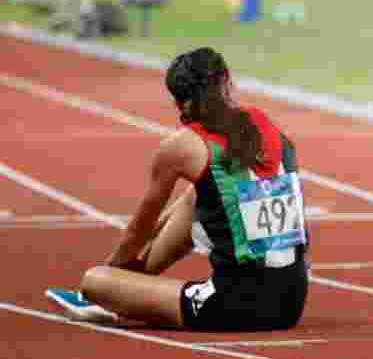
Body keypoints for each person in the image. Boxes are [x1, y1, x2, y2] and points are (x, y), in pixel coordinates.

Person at [46, 47, 310, 331]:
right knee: (195, 195)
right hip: (293, 297)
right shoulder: (263, 123)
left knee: (95, 280)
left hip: (237, 303)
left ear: (180, 102)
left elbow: (138, 231)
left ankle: (113, 292)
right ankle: (130, 285)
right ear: (227, 81)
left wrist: (108, 274)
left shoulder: (180, 147)